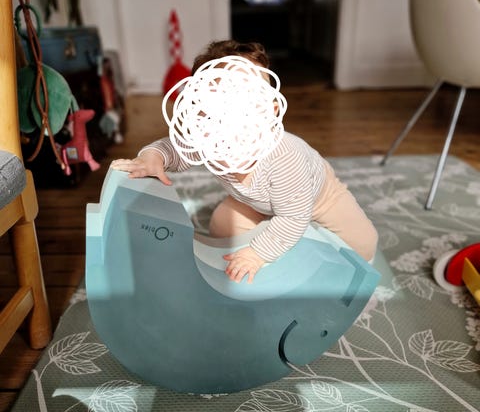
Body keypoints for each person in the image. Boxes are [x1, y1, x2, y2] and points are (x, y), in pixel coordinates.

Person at [111, 40, 378, 284]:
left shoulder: (285, 156)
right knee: (222, 227)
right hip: (254, 201)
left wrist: (258, 253)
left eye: (247, 106)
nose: (231, 122)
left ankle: (303, 248)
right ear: (198, 113)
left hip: (319, 198)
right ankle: (272, 239)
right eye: (215, 111)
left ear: (272, 110)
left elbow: (294, 217)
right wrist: (153, 157)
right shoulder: (209, 139)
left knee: (363, 242)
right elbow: (175, 149)